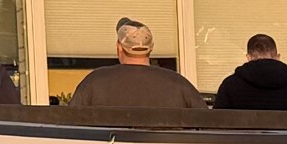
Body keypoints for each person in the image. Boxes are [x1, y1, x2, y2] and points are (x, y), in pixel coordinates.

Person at [66, 20, 205, 109]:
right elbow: (207, 126)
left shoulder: (94, 82)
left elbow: (69, 126)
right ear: (151, 48)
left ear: (119, 47)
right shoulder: (179, 84)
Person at [212, 33, 287, 112]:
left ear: (248, 57)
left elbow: (216, 126)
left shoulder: (230, 86)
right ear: (278, 57)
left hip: (243, 143)